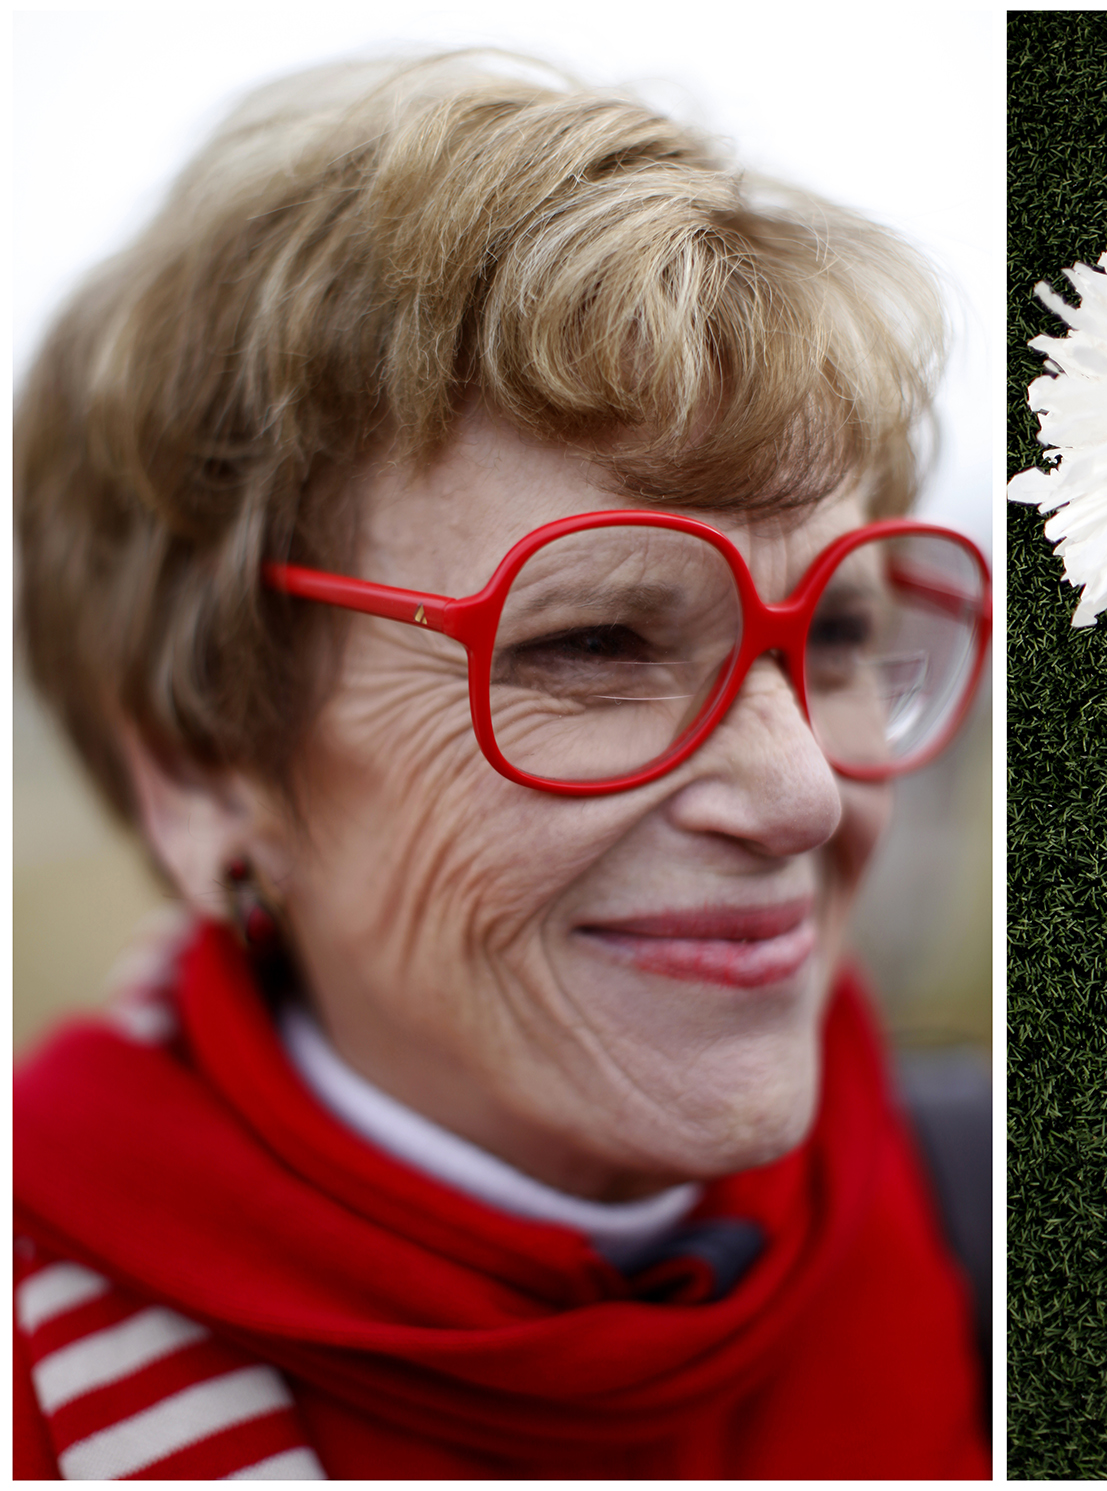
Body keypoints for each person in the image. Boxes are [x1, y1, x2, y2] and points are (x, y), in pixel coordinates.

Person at [14, 52, 991, 1479]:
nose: (803, 792)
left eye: (836, 628)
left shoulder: (1013, 1223)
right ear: (205, 766)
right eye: (595, 643)